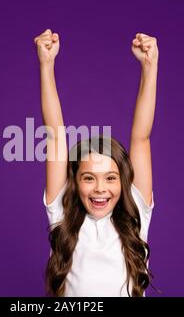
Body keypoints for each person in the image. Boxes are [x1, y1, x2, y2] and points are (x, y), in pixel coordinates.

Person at [33, 28, 158, 297]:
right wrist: (46, 64)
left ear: (123, 182)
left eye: (111, 178)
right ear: (74, 182)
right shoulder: (62, 216)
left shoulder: (136, 214)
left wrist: (150, 67)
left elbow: (141, 138)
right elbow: (54, 135)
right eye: (89, 177)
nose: (101, 188)